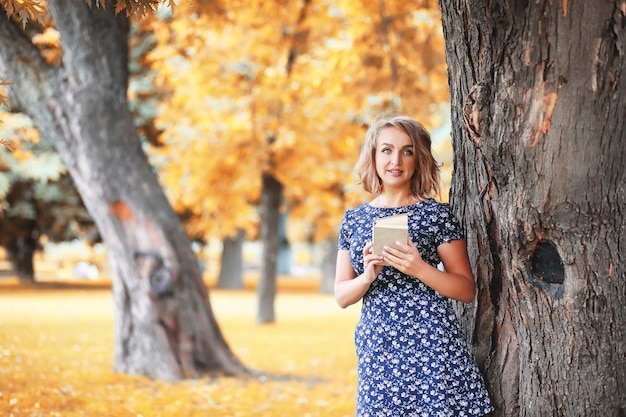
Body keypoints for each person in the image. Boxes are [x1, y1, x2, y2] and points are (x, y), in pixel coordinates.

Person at [334, 112, 494, 416]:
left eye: (407, 151)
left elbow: (465, 289)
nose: (396, 160)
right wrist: (367, 276)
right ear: (373, 156)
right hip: (378, 347)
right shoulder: (353, 220)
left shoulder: (436, 215)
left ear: (418, 159)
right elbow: (342, 295)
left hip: (432, 344)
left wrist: (418, 268)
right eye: (387, 150)